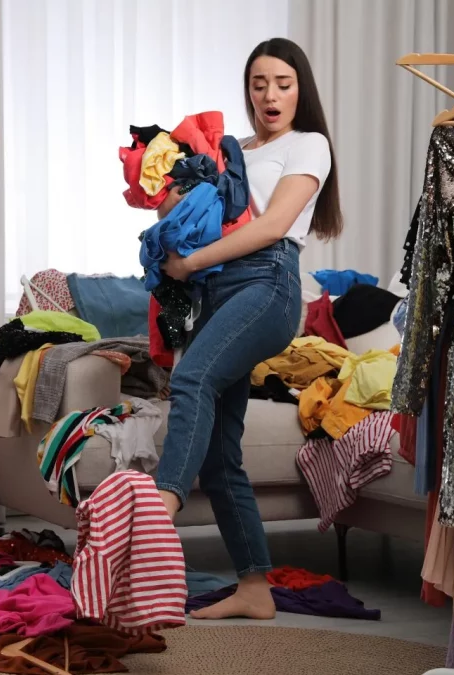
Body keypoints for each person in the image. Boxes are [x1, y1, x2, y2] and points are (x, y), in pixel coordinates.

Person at [154, 37, 342, 620]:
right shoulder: (230, 151)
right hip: (218, 290)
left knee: (191, 382)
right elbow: (178, 217)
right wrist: (174, 195)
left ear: (300, 88)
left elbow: (273, 226)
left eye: (282, 83)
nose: (270, 94)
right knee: (218, 453)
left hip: (267, 284)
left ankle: (153, 520)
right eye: (259, 83)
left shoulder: (309, 145)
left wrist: (189, 263)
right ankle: (255, 588)